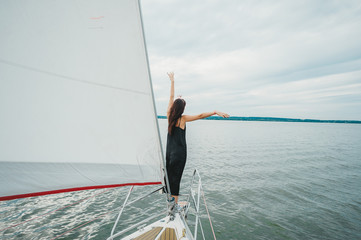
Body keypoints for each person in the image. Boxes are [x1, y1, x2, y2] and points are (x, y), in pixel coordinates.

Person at [165, 72, 229, 204]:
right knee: (176, 179)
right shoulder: (183, 119)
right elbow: (200, 115)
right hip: (179, 154)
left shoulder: (169, 116)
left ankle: (169, 204)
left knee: (169, 177)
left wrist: (172, 81)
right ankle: (173, 207)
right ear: (182, 109)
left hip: (169, 154)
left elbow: (171, 97)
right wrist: (215, 111)